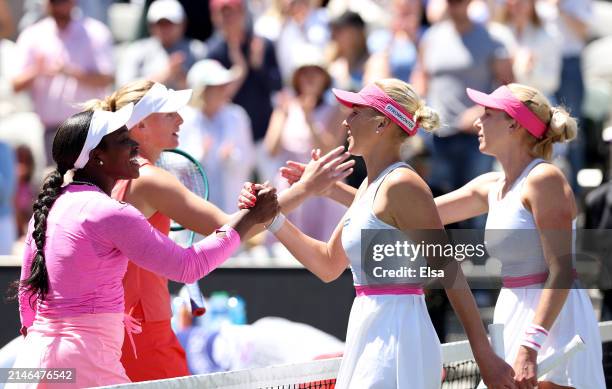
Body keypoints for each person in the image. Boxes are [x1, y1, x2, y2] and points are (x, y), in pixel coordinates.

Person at [240, 79, 515, 388]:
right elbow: (328, 265)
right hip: (369, 331)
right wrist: (272, 219)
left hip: (397, 338)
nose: (345, 120)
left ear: (382, 122)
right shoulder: (369, 189)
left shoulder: (402, 185)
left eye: (356, 112)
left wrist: (483, 355)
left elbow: (449, 271)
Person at [86, 80, 355, 382]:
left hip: (122, 328)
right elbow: (230, 228)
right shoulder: (149, 179)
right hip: (143, 333)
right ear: (141, 126)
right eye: (169, 113)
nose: (181, 119)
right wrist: (306, 189)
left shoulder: (115, 176)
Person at [10, 104, 278, 388]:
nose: (133, 146)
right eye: (124, 141)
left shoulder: (50, 206)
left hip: (29, 364)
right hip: (86, 363)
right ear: (97, 156)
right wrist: (248, 220)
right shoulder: (111, 212)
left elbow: (27, 299)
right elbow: (189, 267)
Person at [434, 84, 606, 388]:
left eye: (487, 114)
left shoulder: (544, 179)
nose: (477, 121)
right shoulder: (490, 185)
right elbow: (403, 211)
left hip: (553, 325)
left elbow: (561, 270)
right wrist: (330, 189)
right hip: (512, 315)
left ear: (514, 122)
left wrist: (530, 346)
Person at [10, 0, 114, 166]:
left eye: (62, 1)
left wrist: (72, 72)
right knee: (57, 187)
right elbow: (15, 84)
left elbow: (108, 77)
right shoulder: (32, 35)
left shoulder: (95, 32)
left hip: (90, 128)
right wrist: (38, 70)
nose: (58, 6)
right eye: (54, 2)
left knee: (93, 186)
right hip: (53, 132)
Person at [179, 59, 256, 214]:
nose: (224, 90)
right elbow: (173, 165)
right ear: (202, 90)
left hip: (229, 206)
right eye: (216, 87)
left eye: (223, 86)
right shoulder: (183, 118)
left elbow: (249, 160)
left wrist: (231, 157)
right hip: (193, 211)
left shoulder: (237, 116)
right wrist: (200, 154)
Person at [116, 0, 207, 90]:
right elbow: (124, 88)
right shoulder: (136, 50)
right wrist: (165, 75)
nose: (165, 29)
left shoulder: (197, 50)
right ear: (151, 26)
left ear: (183, 24)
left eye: (170, 24)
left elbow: (208, 90)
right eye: (160, 24)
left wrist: (184, 80)